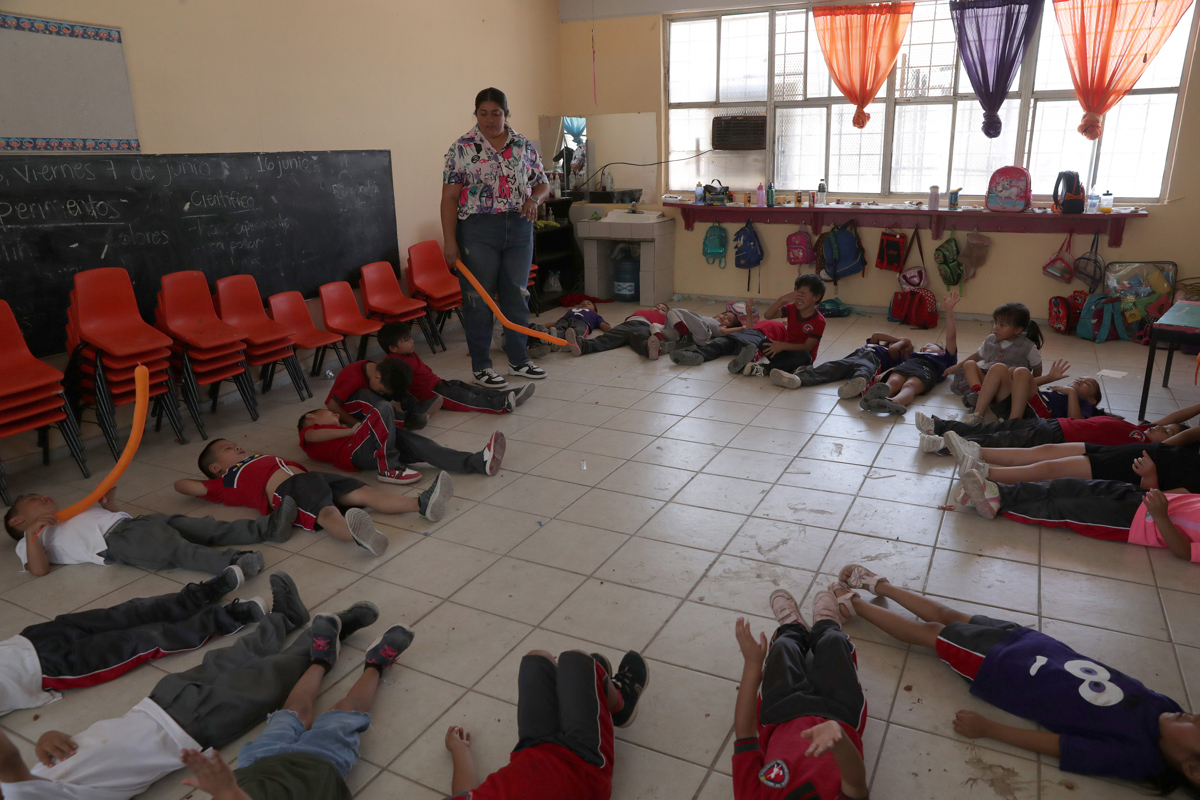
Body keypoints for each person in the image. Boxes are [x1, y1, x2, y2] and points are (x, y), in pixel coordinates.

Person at [0, 573, 386, 800]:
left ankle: (285, 618)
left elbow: (24, 772)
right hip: (191, 729)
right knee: (275, 676)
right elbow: (10, 766)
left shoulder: (27, 786)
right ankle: (334, 632)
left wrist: (44, 737)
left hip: (155, 705)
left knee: (238, 655)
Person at [832, 563, 1200, 791]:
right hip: (1031, 644)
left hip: (1003, 671)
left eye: (1198, 726)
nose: (1194, 715)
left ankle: (855, 604)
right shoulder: (1167, 710)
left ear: (1193, 768)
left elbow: (1059, 744)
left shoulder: (1137, 756)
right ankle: (880, 586)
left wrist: (989, 729)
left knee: (931, 632)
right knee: (949, 614)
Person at [178, 617, 414, 800]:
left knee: (293, 713)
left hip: (259, 765)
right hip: (318, 770)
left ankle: (321, 661)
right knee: (344, 714)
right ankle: (376, 664)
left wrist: (229, 793)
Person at [0, 565, 260, 716]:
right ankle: (226, 620)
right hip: (48, 668)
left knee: (127, 612)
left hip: (31, 637)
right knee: (144, 639)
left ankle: (199, 596)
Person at [173, 439, 454, 558]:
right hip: (292, 491)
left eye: (235, 444)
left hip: (315, 478)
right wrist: (208, 481)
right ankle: (356, 536)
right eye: (227, 449)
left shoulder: (258, 458)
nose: (236, 447)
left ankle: (421, 504)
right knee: (327, 512)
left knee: (365, 494)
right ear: (215, 467)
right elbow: (183, 485)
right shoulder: (225, 481)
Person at [441, 86, 549, 389]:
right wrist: (450, 241)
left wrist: (534, 201)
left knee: (516, 293)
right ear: (476, 114)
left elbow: (542, 184)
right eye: (483, 113)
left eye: (496, 113)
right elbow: (449, 198)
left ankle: (518, 359)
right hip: (477, 230)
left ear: (506, 114)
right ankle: (482, 366)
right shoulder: (461, 148)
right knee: (479, 299)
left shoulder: (522, 145)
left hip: (519, 228)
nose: (490, 120)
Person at [443, 649, 649, 800]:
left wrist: (458, 749)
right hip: (583, 766)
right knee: (577, 661)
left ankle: (596, 689)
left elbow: (464, 792)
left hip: (531, 750)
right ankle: (620, 705)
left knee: (536, 659)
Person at [731, 585, 869, 799]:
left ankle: (793, 629)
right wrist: (839, 740)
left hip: (780, 715)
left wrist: (751, 664)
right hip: (839, 714)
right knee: (835, 643)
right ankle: (827, 625)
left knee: (782, 647)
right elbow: (856, 786)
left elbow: (745, 737)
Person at [3, 488, 298, 578]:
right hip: (118, 541)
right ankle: (231, 564)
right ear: (17, 521)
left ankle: (269, 528)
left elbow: (106, 518)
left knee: (205, 527)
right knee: (177, 550)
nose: (42, 497)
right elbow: (38, 570)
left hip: (136, 523)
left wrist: (110, 505)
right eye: (32, 499)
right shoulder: (31, 540)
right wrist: (32, 534)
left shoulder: (69, 513)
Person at [957, 469, 1200, 561]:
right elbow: (1183, 495)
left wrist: (1160, 516)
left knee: (1065, 509)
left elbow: (1185, 552)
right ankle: (998, 491)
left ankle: (996, 504)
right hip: (1137, 496)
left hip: (1134, 523)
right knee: (1065, 485)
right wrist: (1151, 485)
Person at [940, 435, 1200, 493]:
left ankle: (987, 473)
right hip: (1130, 451)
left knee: (1053, 468)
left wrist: (1150, 475)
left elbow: (1162, 500)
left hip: (1132, 470)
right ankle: (977, 450)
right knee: (1047, 451)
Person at [379, 321, 534, 414]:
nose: (412, 342)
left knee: (472, 389)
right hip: (433, 394)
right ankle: (501, 405)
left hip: (440, 383)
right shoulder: (393, 362)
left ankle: (511, 393)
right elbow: (395, 386)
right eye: (406, 340)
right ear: (392, 348)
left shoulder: (408, 353)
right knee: (468, 399)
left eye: (410, 338)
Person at [298, 408, 505, 477]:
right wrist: (351, 431)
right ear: (310, 416)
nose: (335, 414)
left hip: (374, 446)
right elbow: (314, 437)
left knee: (425, 448)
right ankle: (389, 466)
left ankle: (477, 462)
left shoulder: (341, 430)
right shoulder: (309, 432)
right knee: (382, 408)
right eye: (330, 413)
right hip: (356, 453)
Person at [915, 402, 1196, 453]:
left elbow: (1184, 434)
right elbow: (1177, 416)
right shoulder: (1142, 428)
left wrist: (1181, 435)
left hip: (1059, 438)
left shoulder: (1146, 444)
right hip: (1054, 424)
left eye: (1169, 432)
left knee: (1000, 441)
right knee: (993, 429)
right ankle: (940, 426)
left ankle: (943, 444)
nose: (1163, 429)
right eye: (1167, 427)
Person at [849, 292, 960, 415]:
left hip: (926, 370)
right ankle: (876, 399)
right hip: (905, 367)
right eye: (923, 347)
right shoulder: (913, 355)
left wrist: (949, 311)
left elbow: (951, 337)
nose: (924, 347)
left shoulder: (945, 358)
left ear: (942, 351)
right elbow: (898, 365)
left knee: (910, 385)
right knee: (893, 381)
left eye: (929, 346)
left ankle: (895, 402)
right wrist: (886, 372)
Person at [944, 301, 1044, 423]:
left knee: (999, 368)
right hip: (986, 380)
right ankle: (978, 392)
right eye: (995, 322)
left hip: (1006, 386)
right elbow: (977, 356)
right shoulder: (990, 340)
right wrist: (957, 367)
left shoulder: (1028, 346)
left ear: (1018, 330)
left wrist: (1032, 387)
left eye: (1002, 325)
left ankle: (980, 405)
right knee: (969, 364)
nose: (995, 327)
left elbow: (1037, 368)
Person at [774, 331, 912, 395]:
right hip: (854, 356)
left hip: (873, 360)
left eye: (903, 346)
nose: (898, 343)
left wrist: (905, 343)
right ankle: (799, 379)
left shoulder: (896, 356)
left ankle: (855, 385)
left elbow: (894, 349)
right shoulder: (878, 345)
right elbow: (876, 335)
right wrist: (899, 338)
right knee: (830, 367)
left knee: (864, 369)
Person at [743, 274, 828, 378]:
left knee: (804, 356)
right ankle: (791, 370)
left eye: (802, 295)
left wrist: (782, 345)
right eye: (796, 294)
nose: (798, 298)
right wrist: (782, 299)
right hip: (785, 351)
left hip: (801, 355)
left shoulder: (819, 321)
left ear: (817, 297)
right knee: (764, 343)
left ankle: (766, 369)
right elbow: (768, 315)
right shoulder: (792, 308)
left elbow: (807, 347)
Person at [961, 362, 1102, 425]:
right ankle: (977, 416)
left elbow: (1076, 422)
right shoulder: (1061, 389)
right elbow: (1025, 384)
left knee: (1021, 371)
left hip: (1034, 414)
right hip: (1021, 404)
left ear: (1092, 400)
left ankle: (1013, 423)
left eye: (1087, 384)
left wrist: (1071, 393)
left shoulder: (1082, 402)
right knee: (1000, 368)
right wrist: (1049, 378)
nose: (1081, 380)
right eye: (1080, 379)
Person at [564, 303, 673, 360]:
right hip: (626, 325)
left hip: (644, 327)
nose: (658, 309)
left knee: (642, 339)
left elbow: (664, 329)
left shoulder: (664, 319)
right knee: (607, 338)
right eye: (656, 307)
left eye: (663, 310)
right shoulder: (643, 311)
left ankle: (650, 349)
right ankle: (582, 345)